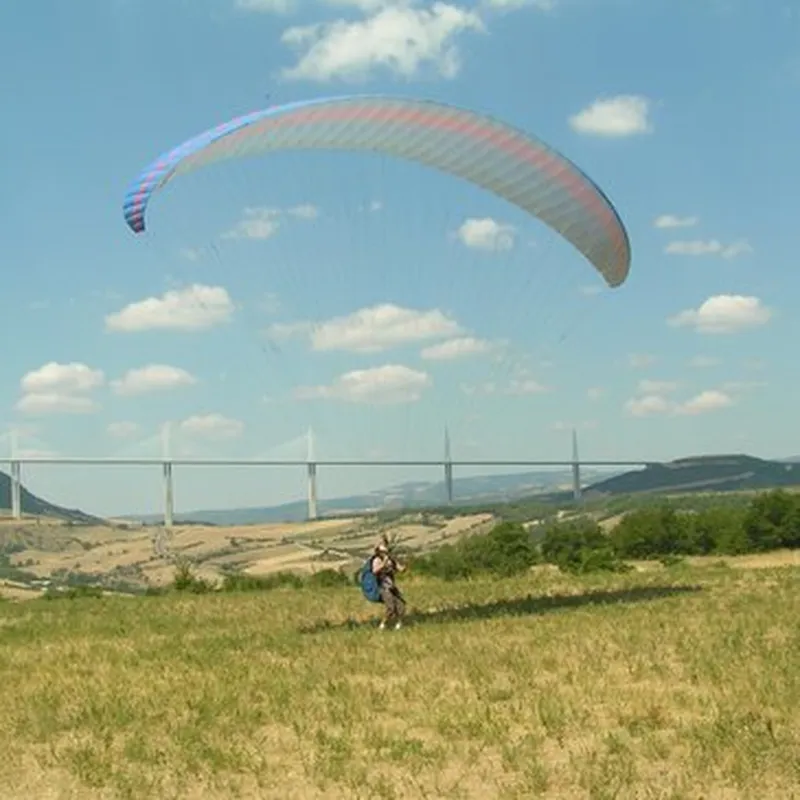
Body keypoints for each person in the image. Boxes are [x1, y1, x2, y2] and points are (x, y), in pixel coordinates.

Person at [371, 539, 406, 630]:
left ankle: (399, 624)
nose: (384, 553)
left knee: (401, 605)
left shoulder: (390, 560)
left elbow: (399, 569)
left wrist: (403, 568)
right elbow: (375, 571)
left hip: (392, 586)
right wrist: (384, 563)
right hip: (383, 587)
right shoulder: (377, 560)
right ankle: (382, 625)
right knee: (391, 608)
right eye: (382, 552)